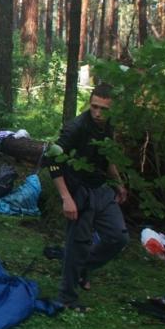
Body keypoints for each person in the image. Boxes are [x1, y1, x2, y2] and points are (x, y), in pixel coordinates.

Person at [48, 83, 129, 312]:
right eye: (94, 107)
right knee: (78, 245)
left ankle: (83, 268)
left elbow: (106, 155)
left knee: (118, 238)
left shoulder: (109, 125)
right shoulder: (75, 128)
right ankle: (67, 298)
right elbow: (52, 162)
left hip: (102, 189)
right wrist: (66, 198)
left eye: (103, 109)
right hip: (78, 191)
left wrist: (118, 183)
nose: (98, 113)